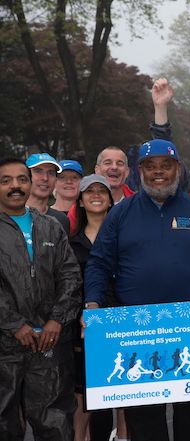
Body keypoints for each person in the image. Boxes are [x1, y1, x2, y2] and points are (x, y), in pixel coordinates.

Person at [84, 139, 190, 441]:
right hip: (136, 331)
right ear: (139, 171)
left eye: (165, 166)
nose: (158, 173)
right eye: (150, 167)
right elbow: (99, 262)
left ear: (177, 168)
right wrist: (92, 305)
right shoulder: (121, 213)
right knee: (145, 420)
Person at [0, 157, 82, 440]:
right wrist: (13, 324)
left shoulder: (51, 226)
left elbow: (70, 276)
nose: (15, 186)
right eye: (6, 180)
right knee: (5, 425)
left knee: (55, 425)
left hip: (49, 342)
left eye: (22, 179)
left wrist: (57, 320)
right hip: (5, 345)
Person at [69, 174, 115, 441]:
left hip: (118, 323)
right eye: (89, 192)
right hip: (82, 325)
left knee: (110, 395)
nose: (96, 195)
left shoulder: (123, 240)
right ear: (82, 201)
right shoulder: (70, 242)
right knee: (83, 393)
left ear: (110, 200)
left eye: (102, 191)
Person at [25, 152, 71, 232]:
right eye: (38, 171)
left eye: (51, 173)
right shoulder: (9, 216)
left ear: (56, 180)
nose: (45, 178)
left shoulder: (61, 220)